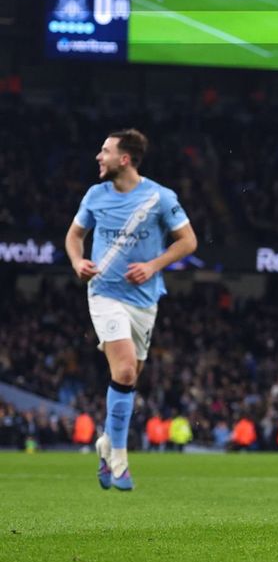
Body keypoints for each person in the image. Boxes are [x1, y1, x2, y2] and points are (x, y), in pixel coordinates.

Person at [65, 129, 198, 491]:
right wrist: (77, 262)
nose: (99, 156)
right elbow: (74, 236)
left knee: (130, 376)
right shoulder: (95, 195)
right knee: (123, 371)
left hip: (144, 300)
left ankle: (105, 444)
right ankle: (120, 462)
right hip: (104, 293)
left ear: (124, 159)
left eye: (105, 151)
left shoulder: (160, 197)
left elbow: (188, 241)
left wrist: (154, 265)